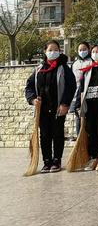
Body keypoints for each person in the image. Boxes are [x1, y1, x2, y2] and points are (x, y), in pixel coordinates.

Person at [25, 40, 76, 173]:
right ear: (45, 51)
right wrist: (32, 99)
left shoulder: (64, 68)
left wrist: (65, 104)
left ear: (59, 51)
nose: (52, 52)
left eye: (55, 49)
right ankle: (46, 161)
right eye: (50, 49)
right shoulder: (38, 69)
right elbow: (29, 87)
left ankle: (57, 160)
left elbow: (71, 86)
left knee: (57, 134)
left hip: (58, 107)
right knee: (44, 135)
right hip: (42, 108)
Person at [70, 42, 91, 139]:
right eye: (80, 50)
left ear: (88, 49)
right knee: (78, 118)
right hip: (76, 95)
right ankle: (80, 139)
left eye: (84, 49)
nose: (82, 51)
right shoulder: (75, 64)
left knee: (89, 118)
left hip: (89, 94)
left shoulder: (92, 61)